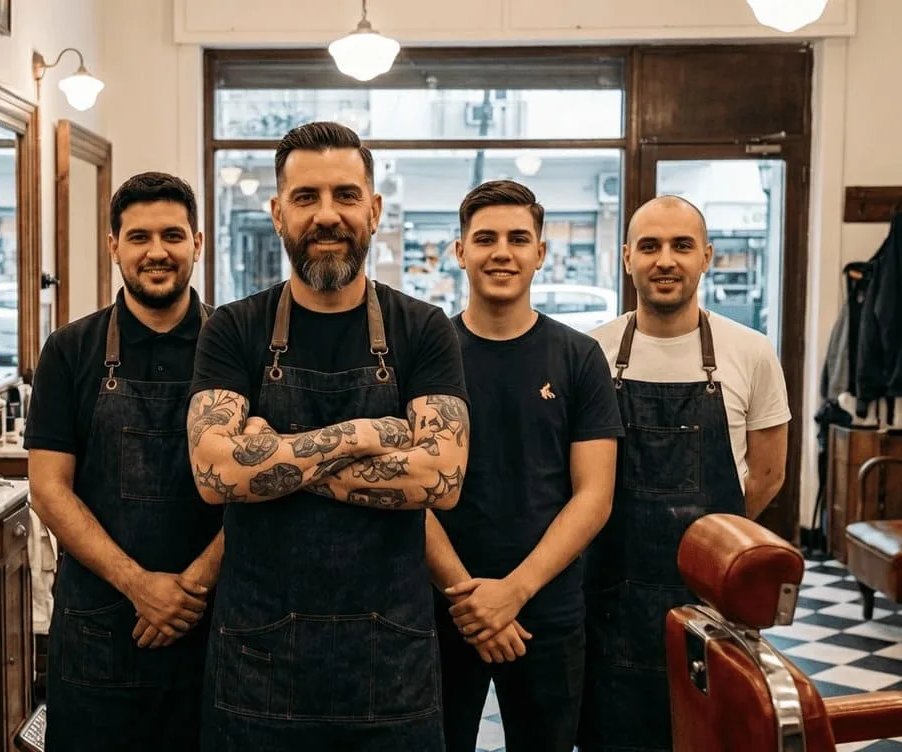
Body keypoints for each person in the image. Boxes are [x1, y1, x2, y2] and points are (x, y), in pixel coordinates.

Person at [188, 121, 470, 752]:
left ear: (373, 209)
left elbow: (440, 479)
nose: (326, 216)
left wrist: (272, 456)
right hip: (258, 657)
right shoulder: (234, 329)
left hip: (389, 658)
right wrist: (365, 433)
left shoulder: (422, 329)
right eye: (305, 197)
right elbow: (214, 477)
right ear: (277, 212)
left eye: (345, 196)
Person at [578, 195, 791, 751]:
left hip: (712, 599)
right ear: (627, 258)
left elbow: (768, 474)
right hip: (611, 598)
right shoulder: (592, 354)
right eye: (649, 246)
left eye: (681, 246)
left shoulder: (751, 352)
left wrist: (714, 551)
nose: (664, 260)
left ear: (707, 258)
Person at [26, 172, 224, 751]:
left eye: (172, 235)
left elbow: (261, 487)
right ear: (114, 246)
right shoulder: (70, 349)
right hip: (100, 626)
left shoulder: (235, 346)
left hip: (213, 621)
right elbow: (48, 488)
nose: (156, 252)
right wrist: (140, 586)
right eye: (138, 237)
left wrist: (188, 588)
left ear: (198, 243)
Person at [424, 180, 621, 752]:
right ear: (459, 251)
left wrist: (512, 592)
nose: (501, 252)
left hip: (547, 609)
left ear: (540, 252)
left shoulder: (577, 356)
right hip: (440, 608)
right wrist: (470, 597)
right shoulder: (427, 355)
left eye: (518, 238)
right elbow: (405, 490)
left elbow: (594, 496)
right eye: (484, 239)